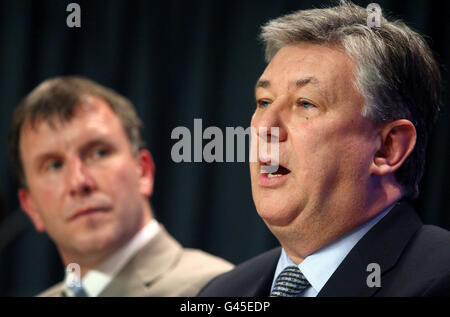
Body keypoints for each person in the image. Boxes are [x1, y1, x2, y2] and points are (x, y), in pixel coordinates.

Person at [198, 1, 450, 297]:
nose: (264, 127)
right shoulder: (223, 291)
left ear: (387, 148)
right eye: (264, 102)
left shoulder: (438, 279)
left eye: (306, 103)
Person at [8, 76, 233, 297]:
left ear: (143, 172)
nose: (79, 182)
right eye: (54, 166)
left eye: (99, 152)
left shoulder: (218, 288)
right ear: (31, 207)